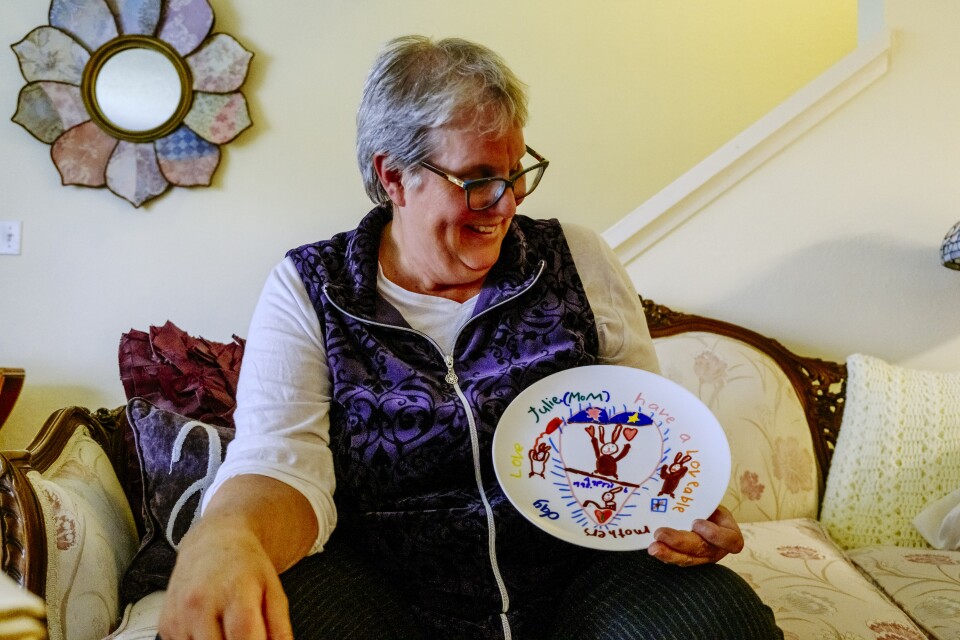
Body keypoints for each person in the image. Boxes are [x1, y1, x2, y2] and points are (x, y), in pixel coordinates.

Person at [158, 35, 782, 640]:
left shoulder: (575, 257)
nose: (506, 203)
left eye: (516, 172)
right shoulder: (312, 287)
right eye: (479, 178)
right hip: (386, 588)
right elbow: (280, 461)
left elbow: (650, 427)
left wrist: (683, 510)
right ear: (395, 177)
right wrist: (229, 534)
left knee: (718, 622)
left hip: (580, 576)